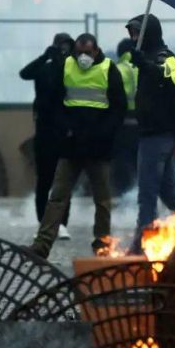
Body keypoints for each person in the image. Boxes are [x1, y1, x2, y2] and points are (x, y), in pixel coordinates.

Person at [29, 33, 126, 258]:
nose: (83, 57)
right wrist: (66, 128)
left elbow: (118, 108)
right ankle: (42, 245)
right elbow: (54, 102)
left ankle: (102, 244)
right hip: (71, 145)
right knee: (58, 197)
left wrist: (103, 133)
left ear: (96, 51)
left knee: (102, 200)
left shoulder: (109, 69)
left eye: (87, 53)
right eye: (79, 52)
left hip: (97, 146)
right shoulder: (65, 66)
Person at [125, 14, 175, 253]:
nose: (134, 38)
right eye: (132, 33)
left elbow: (173, 80)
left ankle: (141, 247)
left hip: (158, 136)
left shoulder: (164, 56)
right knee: (169, 194)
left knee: (147, 194)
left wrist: (146, 66)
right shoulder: (147, 57)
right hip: (152, 134)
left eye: (138, 32)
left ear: (149, 32)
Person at [20, 32, 75, 237]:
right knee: (44, 180)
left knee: (63, 181)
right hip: (44, 132)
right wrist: (45, 57)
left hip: (64, 133)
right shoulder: (44, 69)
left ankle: (61, 223)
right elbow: (24, 73)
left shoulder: (72, 71)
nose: (64, 51)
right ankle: (43, 222)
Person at [111, 37, 139, 195]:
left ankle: (123, 197)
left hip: (122, 126)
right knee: (140, 166)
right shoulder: (142, 68)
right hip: (142, 126)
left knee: (121, 165)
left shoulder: (117, 70)